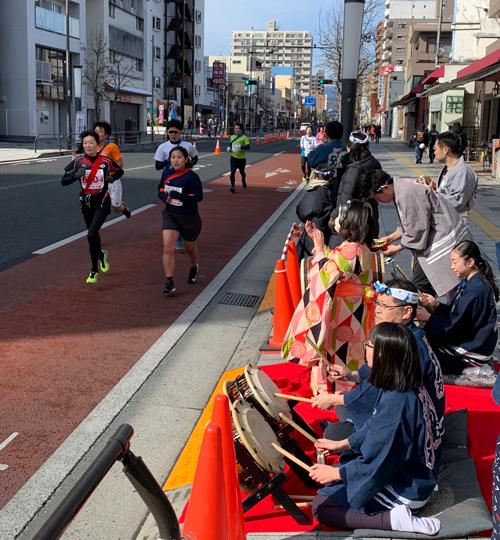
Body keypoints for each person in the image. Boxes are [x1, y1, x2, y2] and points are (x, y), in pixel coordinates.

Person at [310, 322, 441, 536]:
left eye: (368, 346)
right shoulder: (404, 381)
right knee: (345, 451)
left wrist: (338, 473)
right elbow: (374, 423)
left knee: (323, 505)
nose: (365, 349)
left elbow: (383, 458)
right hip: (418, 473)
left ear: (382, 355)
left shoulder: (397, 402)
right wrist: (343, 444)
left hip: (409, 487)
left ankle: (393, 519)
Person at [316, 279, 445, 446]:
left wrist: (335, 399)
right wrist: (349, 375)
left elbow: (382, 391)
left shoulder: (407, 347)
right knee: (345, 405)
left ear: (406, 312)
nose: (377, 310)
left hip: (417, 425)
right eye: (377, 303)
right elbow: (382, 375)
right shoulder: (408, 334)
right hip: (409, 409)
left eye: (385, 306)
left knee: (334, 434)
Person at [282, 200, 378, 394]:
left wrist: (318, 249)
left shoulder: (349, 250)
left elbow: (329, 272)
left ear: (348, 222)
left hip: (344, 309)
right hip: (356, 306)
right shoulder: (361, 248)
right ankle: (348, 386)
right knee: (352, 349)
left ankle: (336, 390)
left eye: (340, 218)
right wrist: (321, 245)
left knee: (338, 350)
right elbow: (337, 263)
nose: (335, 221)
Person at [363, 170, 471, 296]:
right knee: (431, 286)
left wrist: (398, 247)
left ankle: (436, 312)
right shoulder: (401, 187)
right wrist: (390, 238)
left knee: (426, 287)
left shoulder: (407, 193)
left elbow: (417, 228)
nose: (379, 201)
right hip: (438, 238)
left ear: (385, 187)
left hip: (443, 240)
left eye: (377, 197)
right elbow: (409, 223)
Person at [417, 240, 498, 374]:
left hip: (473, 349)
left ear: (470, 262)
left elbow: (454, 326)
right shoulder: (472, 282)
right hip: (470, 339)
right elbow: (458, 315)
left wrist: (429, 318)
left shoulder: (476, 290)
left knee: (423, 355)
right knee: (423, 343)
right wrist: (436, 305)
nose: (452, 267)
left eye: (455, 262)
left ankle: (472, 368)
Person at [62, 130, 124, 284]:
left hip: (102, 201)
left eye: (91, 142)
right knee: (93, 236)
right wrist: (75, 176)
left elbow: (120, 171)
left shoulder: (106, 161)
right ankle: (101, 255)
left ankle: (94, 270)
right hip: (86, 202)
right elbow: (63, 180)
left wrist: (111, 178)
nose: (88, 145)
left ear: (98, 144)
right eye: (85, 143)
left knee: (90, 234)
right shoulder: (78, 162)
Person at [158, 146, 203, 294]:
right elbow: (160, 189)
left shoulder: (191, 177)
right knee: (167, 248)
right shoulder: (166, 173)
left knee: (189, 248)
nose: (175, 160)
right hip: (171, 215)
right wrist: (163, 196)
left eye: (179, 157)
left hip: (189, 217)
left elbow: (199, 197)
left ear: (186, 159)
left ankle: (194, 266)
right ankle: (169, 281)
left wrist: (182, 197)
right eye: (173, 157)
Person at [154, 119, 199, 250]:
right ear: (167, 132)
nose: (173, 134)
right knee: (171, 205)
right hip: (168, 179)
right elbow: (157, 166)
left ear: (180, 132)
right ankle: (177, 235)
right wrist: (168, 160)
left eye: (175, 132)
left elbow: (195, 157)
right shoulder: (162, 147)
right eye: (170, 132)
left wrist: (189, 166)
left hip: (184, 179)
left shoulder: (187, 145)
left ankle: (185, 231)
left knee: (183, 204)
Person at [332, 131, 382, 236]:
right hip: (371, 217)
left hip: (355, 222)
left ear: (350, 147)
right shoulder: (375, 163)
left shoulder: (354, 169)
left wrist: (333, 217)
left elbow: (345, 199)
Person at [434, 131, 478, 218]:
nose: (434, 152)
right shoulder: (449, 169)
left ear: (445, 150)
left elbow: (456, 202)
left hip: (454, 224)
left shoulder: (462, 171)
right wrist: (432, 188)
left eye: (435, 149)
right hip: (446, 222)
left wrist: (430, 194)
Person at [93, 121, 131, 219]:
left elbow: (120, 164)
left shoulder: (112, 147)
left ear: (106, 135)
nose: (97, 133)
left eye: (100, 131)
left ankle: (123, 207)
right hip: (98, 182)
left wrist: (108, 167)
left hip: (112, 180)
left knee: (116, 208)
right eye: (95, 131)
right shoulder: (91, 147)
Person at [227, 123, 250, 193]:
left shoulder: (244, 137)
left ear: (241, 130)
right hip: (233, 158)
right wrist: (229, 148)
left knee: (242, 172)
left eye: (237, 128)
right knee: (232, 172)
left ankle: (243, 180)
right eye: (235, 128)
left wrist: (241, 147)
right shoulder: (232, 137)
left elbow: (248, 147)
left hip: (241, 159)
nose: (236, 130)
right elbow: (231, 145)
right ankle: (233, 186)